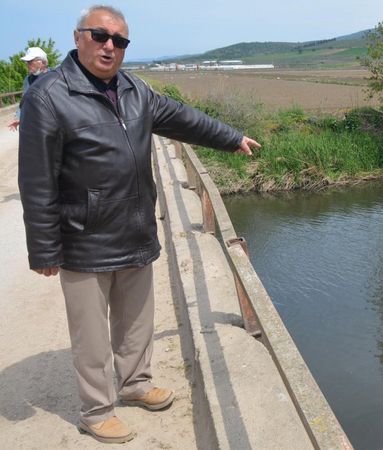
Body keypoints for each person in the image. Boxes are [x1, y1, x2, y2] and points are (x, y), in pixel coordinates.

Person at [18, 5, 261, 444]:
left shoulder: (136, 90)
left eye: (120, 40)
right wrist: (43, 249)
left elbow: (183, 118)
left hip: (134, 228)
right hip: (83, 238)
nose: (110, 46)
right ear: (78, 38)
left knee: (136, 323)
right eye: (100, 36)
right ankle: (95, 411)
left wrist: (230, 137)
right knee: (91, 337)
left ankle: (135, 385)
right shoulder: (48, 95)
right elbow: (36, 180)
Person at [8, 46, 49, 131]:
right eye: (27, 62)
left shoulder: (54, 77)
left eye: (30, 62)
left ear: (41, 62)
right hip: (35, 125)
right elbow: (24, 101)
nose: (27, 65)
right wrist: (18, 117)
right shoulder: (28, 80)